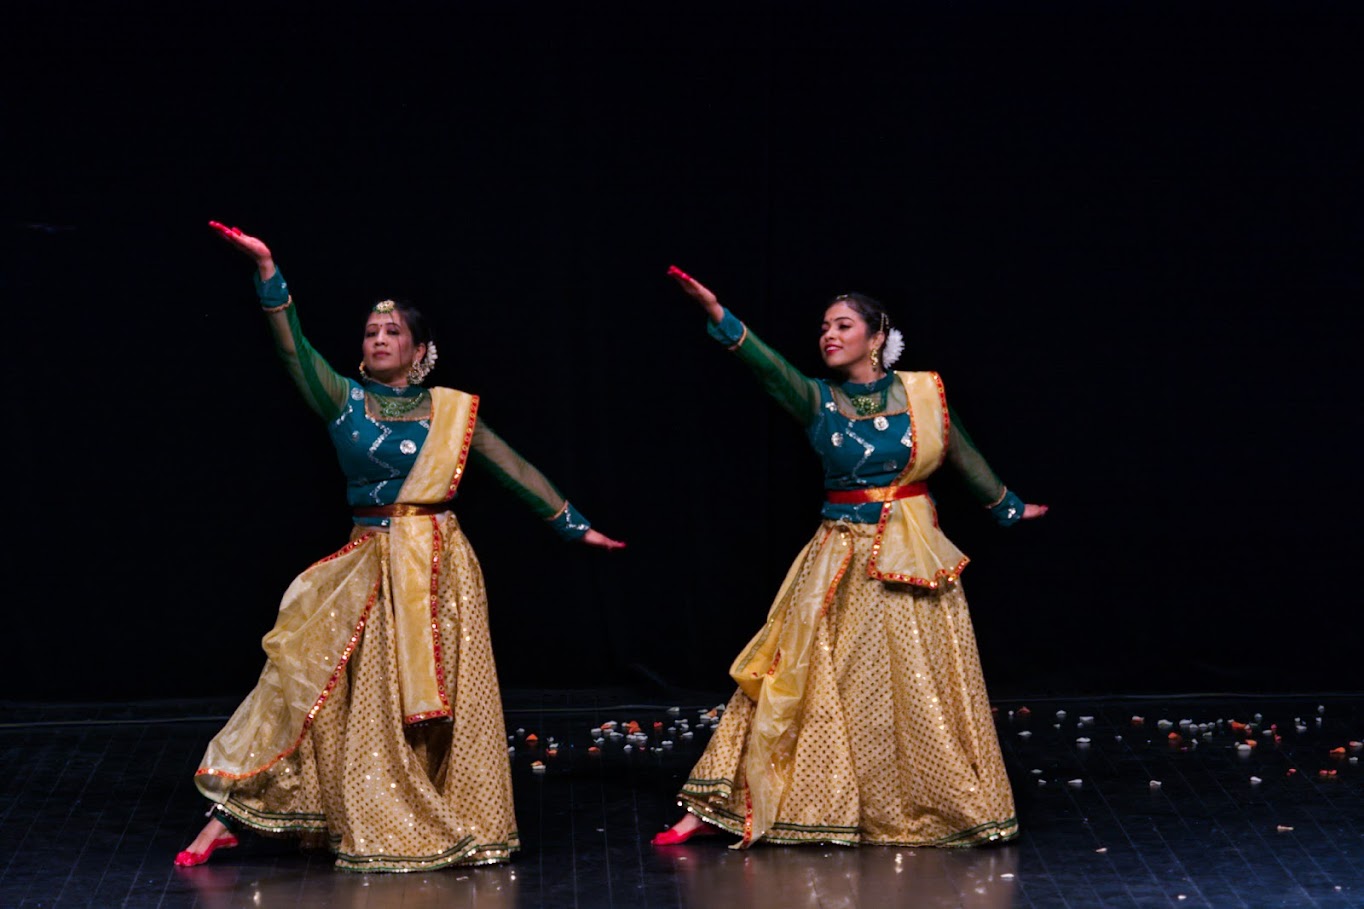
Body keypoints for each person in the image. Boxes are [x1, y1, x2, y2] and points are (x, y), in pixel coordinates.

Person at [175, 221, 625, 872]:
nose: (379, 339)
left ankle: (449, 814)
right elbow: (293, 349)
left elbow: (512, 466)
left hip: (440, 565)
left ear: (420, 350)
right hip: (369, 565)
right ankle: (230, 815)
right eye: (370, 332)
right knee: (314, 691)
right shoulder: (343, 400)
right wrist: (268, 271)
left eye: (393, 333)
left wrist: (573, 524)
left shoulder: (449, 410)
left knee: (437, 706)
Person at [651, 265, 1046, 849]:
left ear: (876, 334)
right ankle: (720, 807)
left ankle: (934, 804)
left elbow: (960, 452)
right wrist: (717, 313)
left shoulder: (922, 392)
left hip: (912, 559)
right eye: (823, 327)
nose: (829, 335)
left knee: (918, 691)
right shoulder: (819, 399)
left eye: (843, 325)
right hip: (841, 558)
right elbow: (766, 364)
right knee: (794, 679)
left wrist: (1008, 506)